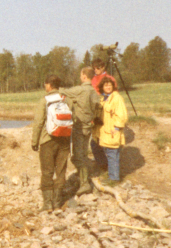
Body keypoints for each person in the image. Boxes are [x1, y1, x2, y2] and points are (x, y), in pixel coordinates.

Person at [31, 75, 72, 211]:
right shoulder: (66, 99)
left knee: (47, 171)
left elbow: (38, 123)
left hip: (47, 140)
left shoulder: (44, 100)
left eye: (45, 84)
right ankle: (57, 203)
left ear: (48, 85)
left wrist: (34, 141)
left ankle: (47, 204)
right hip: (64, 140)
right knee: (60, 172)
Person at [60, 66, 103, 195]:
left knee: (77, 157)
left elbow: (63, 92)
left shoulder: (80, 90)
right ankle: (81, 178)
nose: (79, 77)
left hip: (80, 127)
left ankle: (84, 183)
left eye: (80, 75)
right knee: (83, 154)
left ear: (84, 76)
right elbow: (98, 108)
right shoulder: (93, 92)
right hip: (89, 127)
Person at [97, 76, 128, 182]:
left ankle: (113, 179)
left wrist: (117, 128)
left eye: (110, 84)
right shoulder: (103, 98)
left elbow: (121, 114)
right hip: (105, 131)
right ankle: (111, 175)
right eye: (106, 85)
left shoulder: (116, 98)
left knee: (112, 154)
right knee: (110, 154)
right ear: (102, 86)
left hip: (112, 131)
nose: (108, 87)